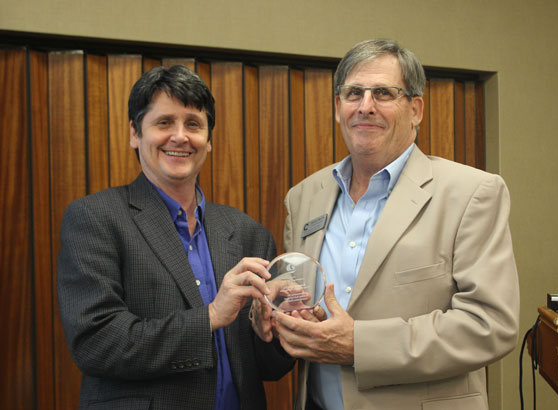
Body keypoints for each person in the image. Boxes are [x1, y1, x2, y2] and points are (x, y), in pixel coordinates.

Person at [254, 39, 520, 410]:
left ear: (415, 109)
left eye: (383, 93)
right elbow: (303, 297)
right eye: (353, 93)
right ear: (337, 107)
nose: (365, 106)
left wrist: (358, 344)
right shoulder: (304, 197)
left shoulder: (472, 193)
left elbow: (490, 325)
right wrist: (278, 316)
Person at [57, 65, 294, 410]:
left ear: (209, 140)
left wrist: (275, 332)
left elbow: (269, 368)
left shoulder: (248, 233)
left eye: (194, 124)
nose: (180, 137)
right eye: (164, 122)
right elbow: (97, 343)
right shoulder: (95, 218)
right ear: (135, 134)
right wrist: (212, 315)